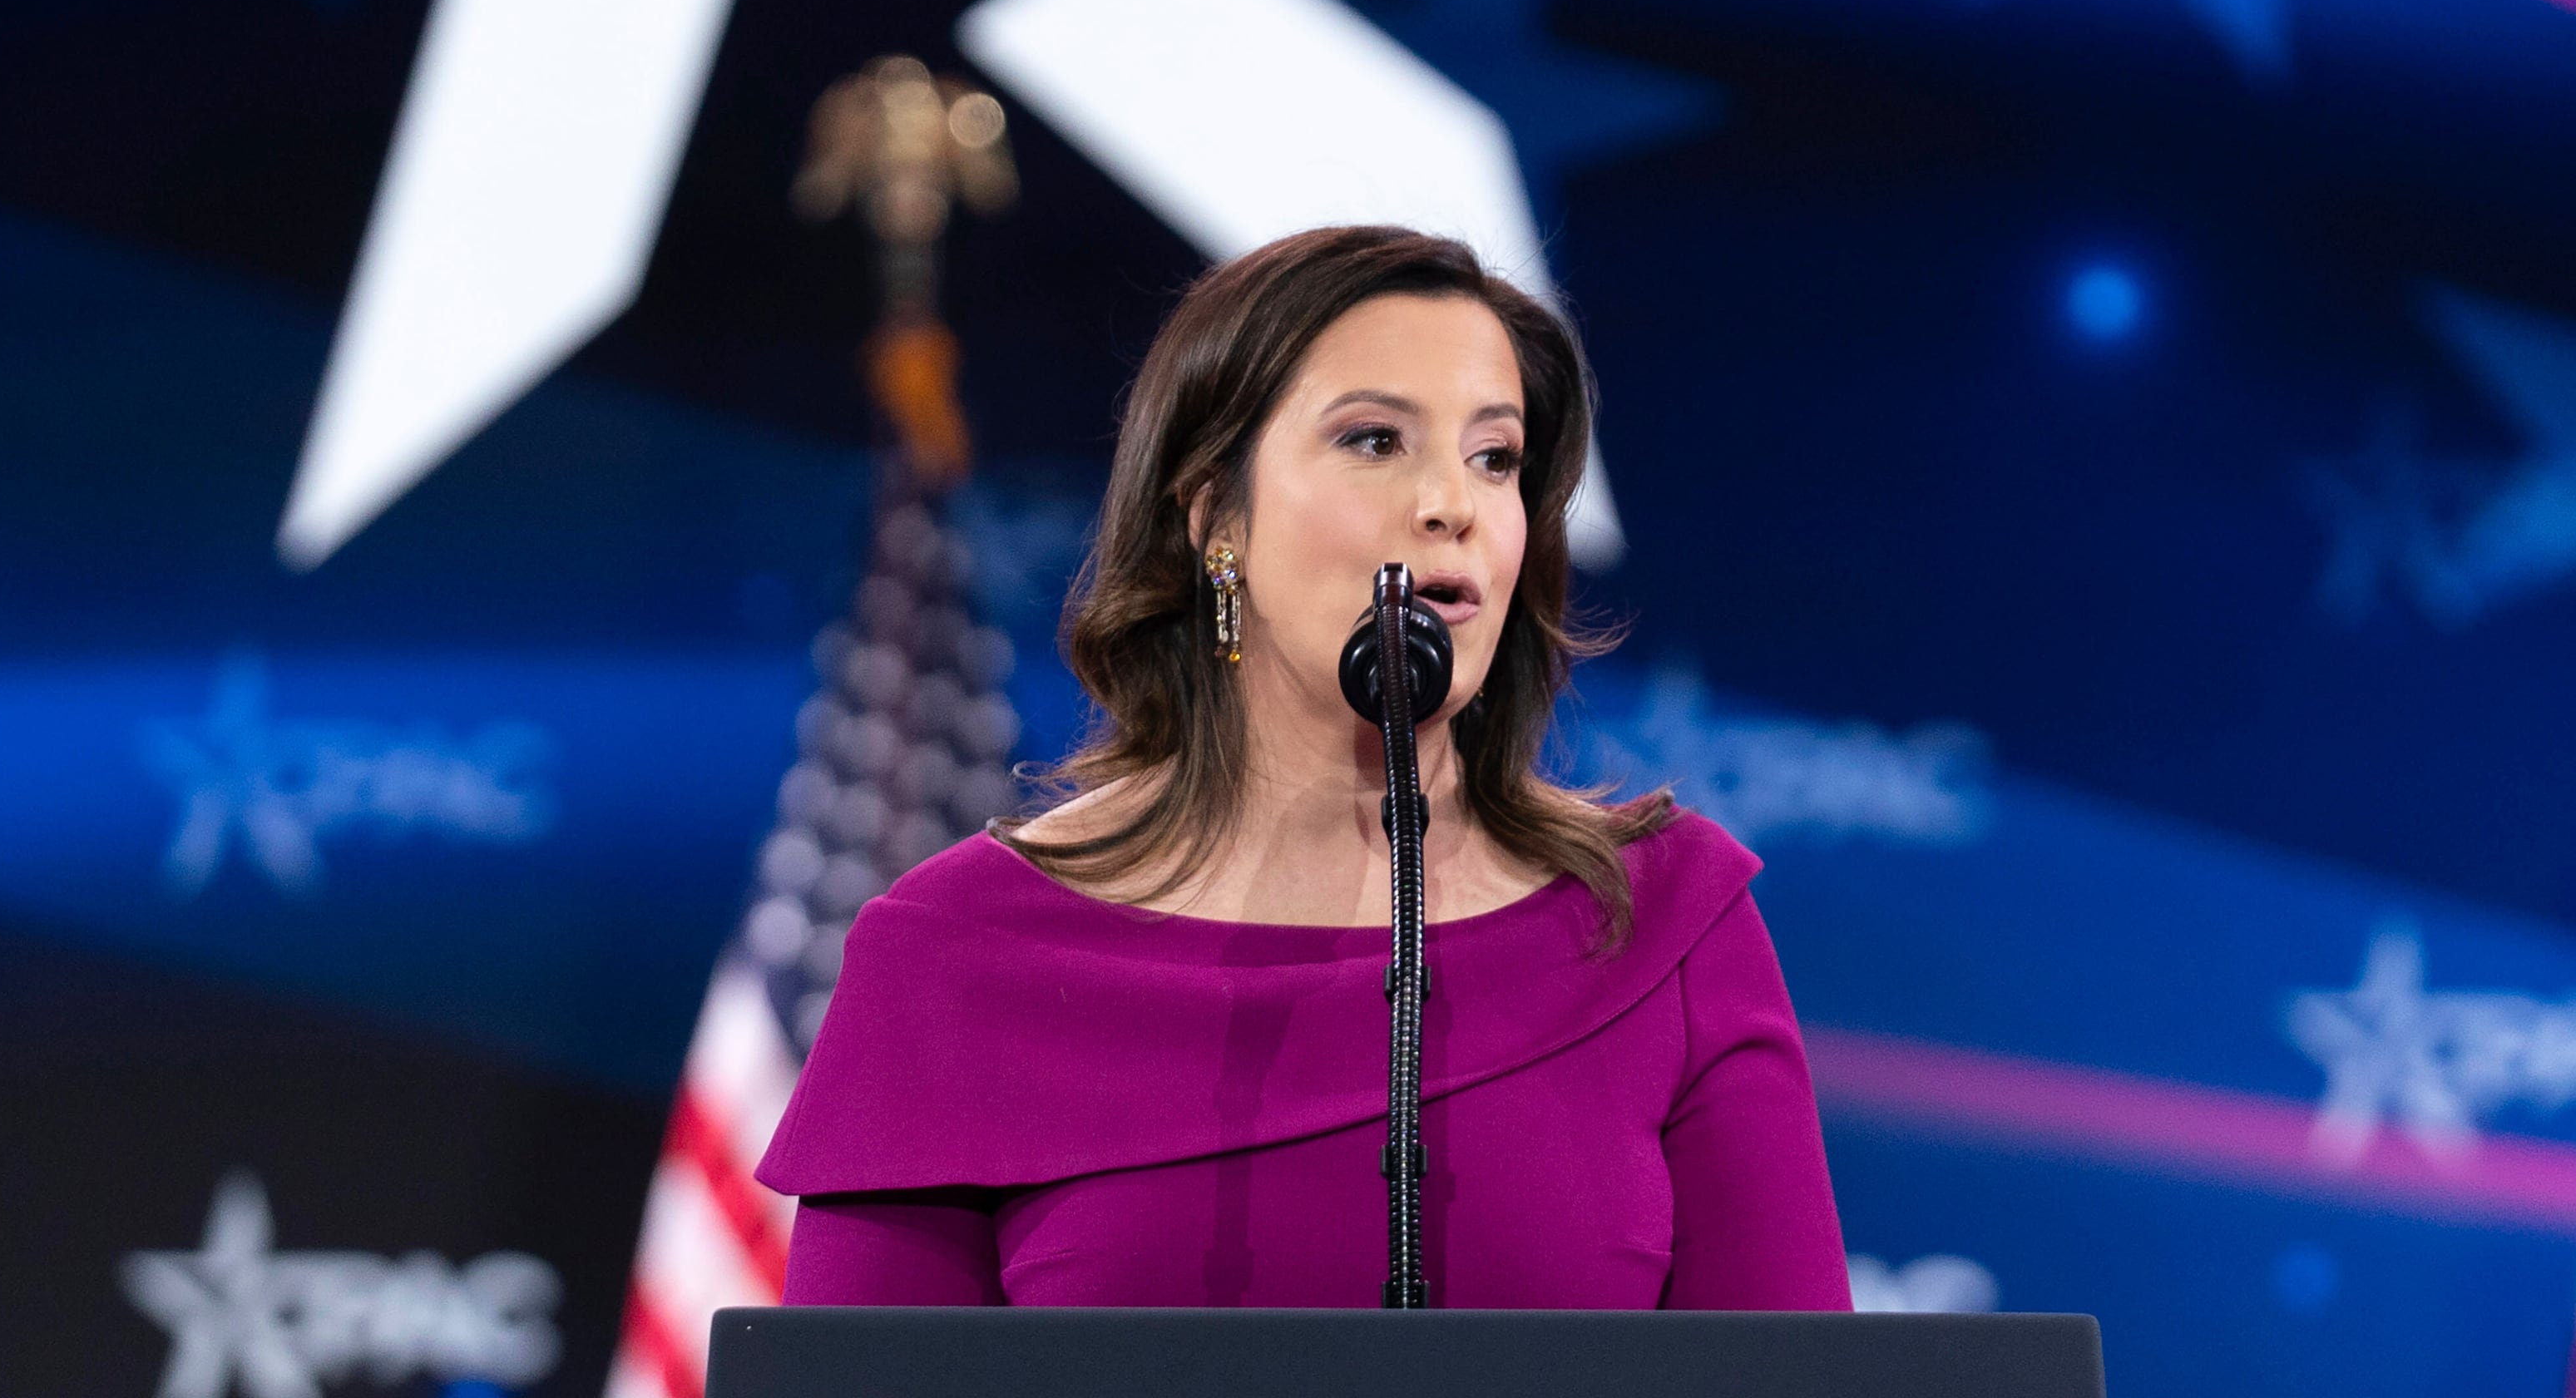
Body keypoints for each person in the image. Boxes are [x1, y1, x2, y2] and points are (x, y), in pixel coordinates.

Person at [757, 225, 1848, 1308]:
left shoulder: (1662, 925)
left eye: (1496, 457)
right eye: (1375, 441)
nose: (1452, 506)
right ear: (1214, 518)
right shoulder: (959, 951)